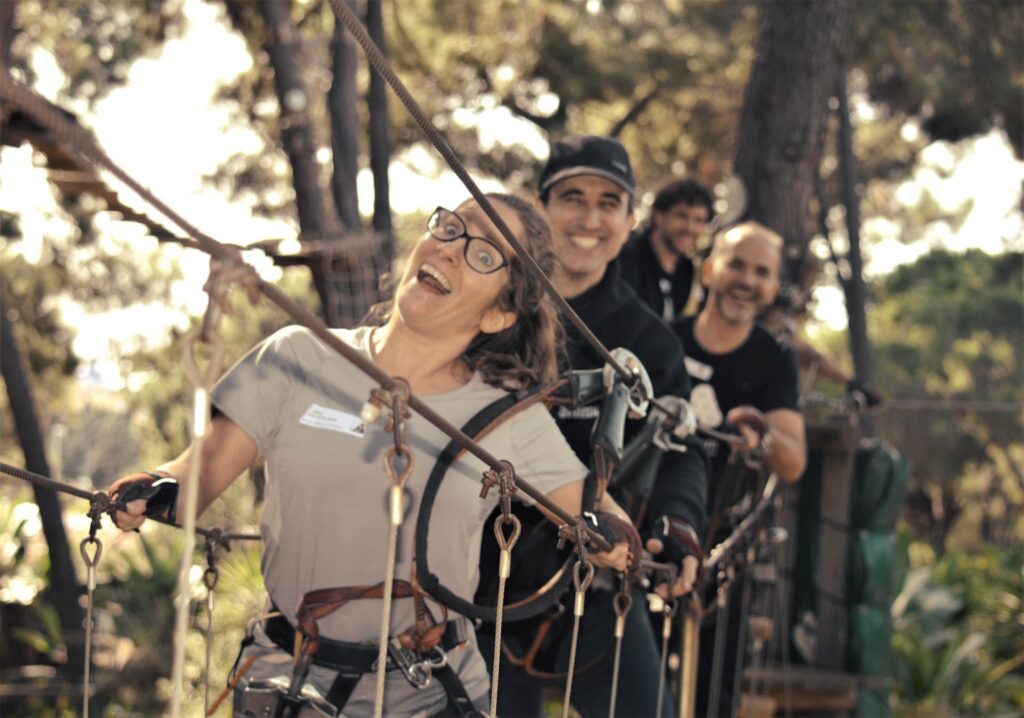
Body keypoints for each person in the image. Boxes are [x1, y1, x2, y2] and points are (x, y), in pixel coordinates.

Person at [107, 193, 639, 718]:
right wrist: (151, 488)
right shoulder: (298, 356)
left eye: (483, 255)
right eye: (452, 227)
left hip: (434, 694)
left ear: (500, 314)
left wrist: (620, 538)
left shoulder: (508, 419)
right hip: (292, 685)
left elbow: (595, 513)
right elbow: (193, 479)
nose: (451, 249)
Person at [480, 136, 708, 718]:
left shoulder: (650, 341)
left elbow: (679, 445)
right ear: (540, 210)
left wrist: (679, 524)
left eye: (610, 203)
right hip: (472, 586)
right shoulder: (485, 315)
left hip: (591, 586)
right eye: (573, 198)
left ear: (631, 220)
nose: (589, 218)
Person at [671, 221, 806, 717]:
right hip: (652, 535)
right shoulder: (665, 339)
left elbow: (794, 463)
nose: (747, 280)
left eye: (762, 272)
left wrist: (763, 433)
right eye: (737, 264)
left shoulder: (774, 361)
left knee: (712, 691)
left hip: (722, 550)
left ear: (772, 287)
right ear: (709, 270)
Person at [619, 178, 715, 321]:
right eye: (681, 216)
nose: (689, 228)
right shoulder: (625, 257)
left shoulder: (689, 272)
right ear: (659, 216)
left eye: (699, 220)